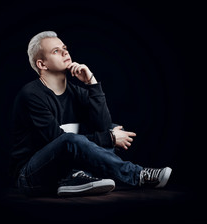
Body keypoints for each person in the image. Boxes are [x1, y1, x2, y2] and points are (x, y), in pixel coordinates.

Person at [9, 31, 172, 197]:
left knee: (111, 128)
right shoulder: (31, 95)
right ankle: (138, 175)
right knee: (73, 139)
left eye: (65, 48)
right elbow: (57, 141)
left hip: (64, 169)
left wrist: (91, 83)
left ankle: (75, 178)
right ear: (42, 65)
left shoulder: (76, 92)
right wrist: (110, 138)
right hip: (31, 176)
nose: (65, 52)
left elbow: (102, 125)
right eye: (56, 51)